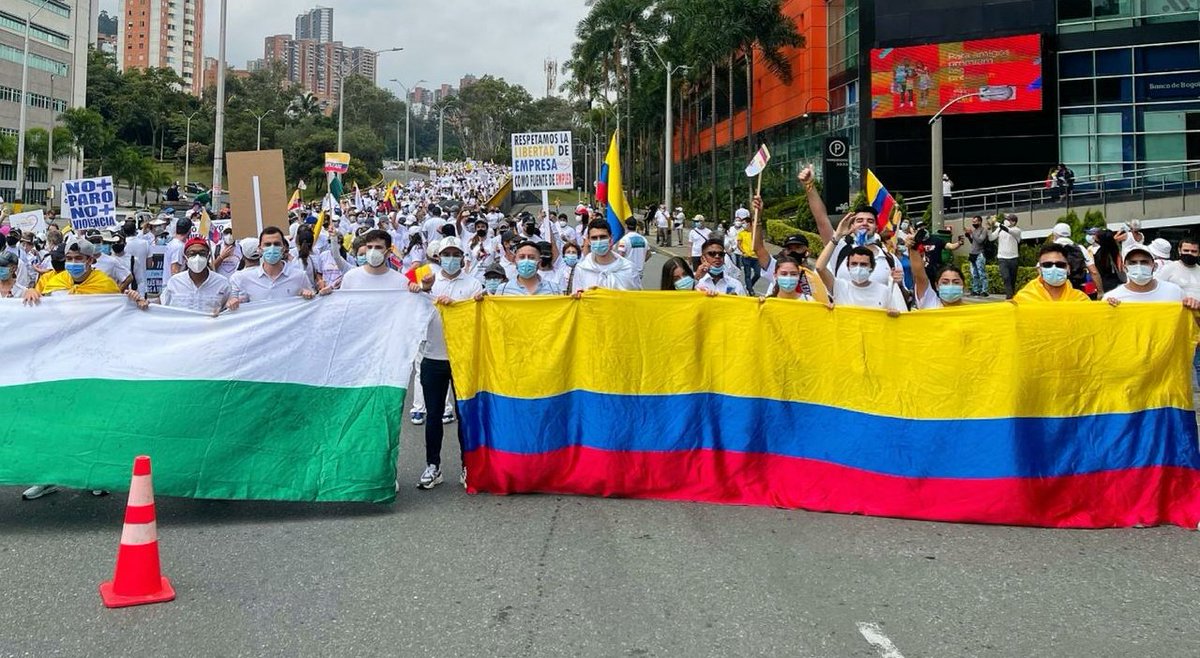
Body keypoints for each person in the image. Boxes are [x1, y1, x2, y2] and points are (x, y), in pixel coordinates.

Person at [418, 236, 483, 490]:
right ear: (439, 257)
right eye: (447, 254)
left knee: (464, 414)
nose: (451, 259)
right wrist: (423, 290)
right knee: (433, 415)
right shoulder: (429, 281)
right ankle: (433, 465)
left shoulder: (473, 284)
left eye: (456, 254)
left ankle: (467, 465)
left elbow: (479, 316)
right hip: (433, 357)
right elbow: (414, 308)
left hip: (463, 358)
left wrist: (468, 306)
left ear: (462, 258)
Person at [800, 164, 902, 287]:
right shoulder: (839, 248)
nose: (864, 223)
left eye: (870, 221)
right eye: (859, 220)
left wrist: (900, 285)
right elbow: (821, 219)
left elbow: (903, 297)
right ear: (852, 226)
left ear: (876, 227)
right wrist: (809, 185)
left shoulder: (890, 259)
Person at [815, 215, 907, 313]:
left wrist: (894, 314)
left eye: (863, 264)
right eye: (854, 264)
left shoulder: (885, 291)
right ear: (848, 266)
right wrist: (837, 235)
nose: (858, 268)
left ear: (872, 267)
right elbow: (820, 268)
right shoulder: (839, 287)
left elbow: (898, 313)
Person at [133, 237, 231, 315]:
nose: (197, 258)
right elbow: (161, 303)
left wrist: (232, 304)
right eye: (192, 254)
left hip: (210, 336)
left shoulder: (222, 283)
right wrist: (143, 302)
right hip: (181, 337)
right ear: (185, 258)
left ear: (208, 256)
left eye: (202, 253)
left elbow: (230, 310)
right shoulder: (175, 282)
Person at [228, 227, 318, 308]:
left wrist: (310, 295)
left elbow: (312, 304)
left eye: (276, 244)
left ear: (284, 248)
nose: (272, 248)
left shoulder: (299, 276)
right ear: (260, 249)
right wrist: (232, 303)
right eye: (267, 244)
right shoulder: (246, 279)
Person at [1103, 244, 1195, 309]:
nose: (1139, 266)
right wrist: (1108, 310)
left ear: (1154, 266)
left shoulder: (1175, 292)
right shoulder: (1112, 298)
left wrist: (1193, 306)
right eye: (1133, 263)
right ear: (1125, 268)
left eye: (1144, 262)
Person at [338, 229, 421, 292]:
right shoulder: (350, 278)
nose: (372, 251)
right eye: (370, 247)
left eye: (378, 247)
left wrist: (420, 290)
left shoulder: (401, 281)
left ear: (388, 252)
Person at [571, 219, 641, 293]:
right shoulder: (582, 269)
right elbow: (577, 298)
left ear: (610, 238)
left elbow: (638, 299)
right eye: (594, 238)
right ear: (589, 241)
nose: (599, 241)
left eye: (603, 237)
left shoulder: (629, 269)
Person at [1013, 244, 1091, 303]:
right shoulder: (1024, 299)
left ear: (1068, 269)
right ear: (1040, 270)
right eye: (1047, 265)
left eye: (1060, 264)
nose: (1054, 268)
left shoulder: (1080, 300)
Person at [907, 235, 967, 309]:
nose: (950, 286)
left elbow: (951, 246)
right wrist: (913, 247)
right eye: (945, 282)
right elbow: (919, 276)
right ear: (937, 286)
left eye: (956, 282)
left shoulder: (975, 311)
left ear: (964, 285)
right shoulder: (929, 303)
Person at [498, 241, 563, 295]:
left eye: (531, 257)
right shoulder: (503, 290)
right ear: (515, 261)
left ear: (539, 262)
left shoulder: (554, 289)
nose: (526, 261)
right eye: (522, 257)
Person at [992, 214, 1022, 299]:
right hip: (1002, 258)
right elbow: (991, 238)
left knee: (1012, 279)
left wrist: (996, 223)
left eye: (1008, 220)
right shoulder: (1000, 229)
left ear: (1013, 222)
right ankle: (1009, 296)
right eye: (1006, 219)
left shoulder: (1017, 230)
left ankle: (1012, 295)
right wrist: (989, 228)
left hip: (1013, 258)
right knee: (1006, 277)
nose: (1006, 221)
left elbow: (1008, 230)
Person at [965, 216, 995, 297]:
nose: (973, 223)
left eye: (975, 222)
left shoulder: (983, 230)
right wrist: (968, 236)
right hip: (972, 253)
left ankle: (984, 290)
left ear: (980, 222)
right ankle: (976, 290)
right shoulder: (975, 231)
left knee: (981, 273)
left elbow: (980, 240)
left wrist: (972, 233)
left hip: (980, 253)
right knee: (974, 273)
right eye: (973, 222)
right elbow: (973, 242)